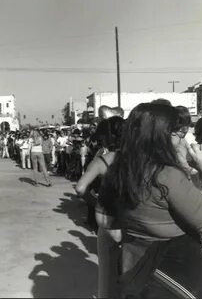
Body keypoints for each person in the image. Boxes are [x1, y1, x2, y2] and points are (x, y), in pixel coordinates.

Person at [97, 103, 202, 298]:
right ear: (161, 135)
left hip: (135, 264)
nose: (181, 139)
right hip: (175, 268)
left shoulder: (119, 168)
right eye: (175, 132)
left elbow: (104, 219)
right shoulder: (167, 175)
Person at [75, 116, 124, 298]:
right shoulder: (139, 158)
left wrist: (95, 203)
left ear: (108, 137)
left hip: (109, 222)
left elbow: (80, 188)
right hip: (136, 223)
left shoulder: (103, 161)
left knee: (107, 279)